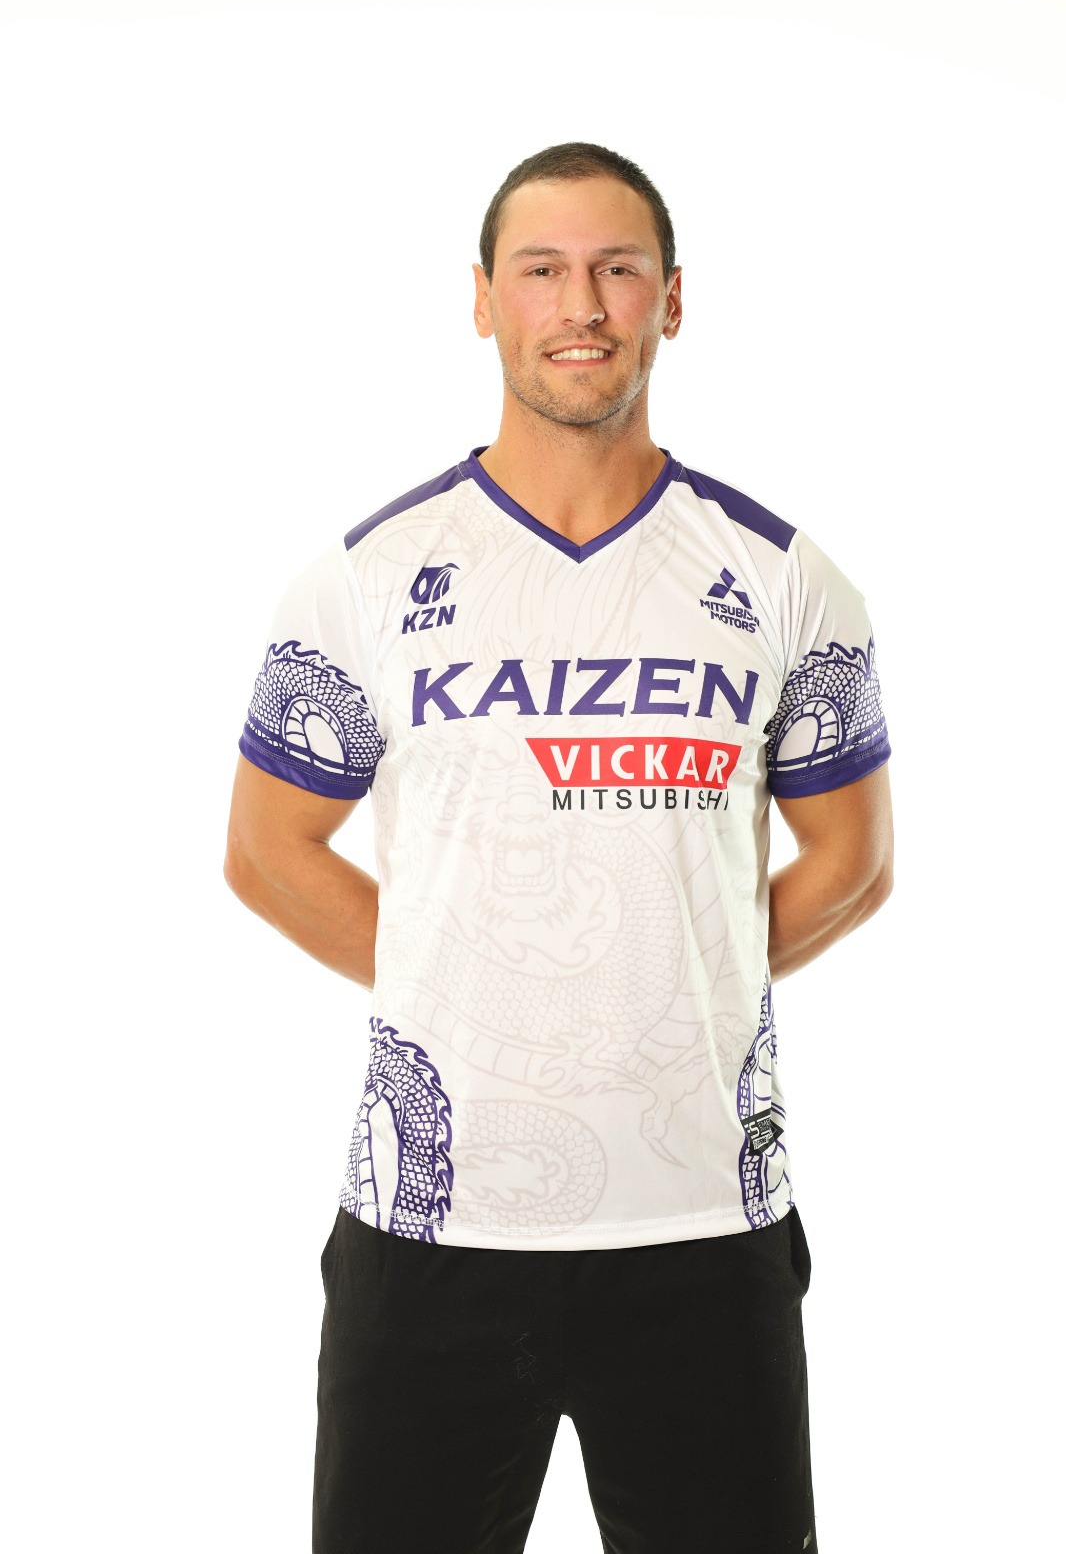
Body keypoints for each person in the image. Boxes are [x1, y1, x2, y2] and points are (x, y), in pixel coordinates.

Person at [224, 142, 892, 1554]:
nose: (580, 304)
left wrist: (677, 990)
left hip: (706, 1224)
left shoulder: (785, 577)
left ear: (671, 300)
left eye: (616, 269)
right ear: (482, 299)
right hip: (430, 1231)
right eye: (541, 269)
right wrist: (471, 990)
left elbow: (853, 859)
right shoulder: (364, 580)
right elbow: (270, 847)